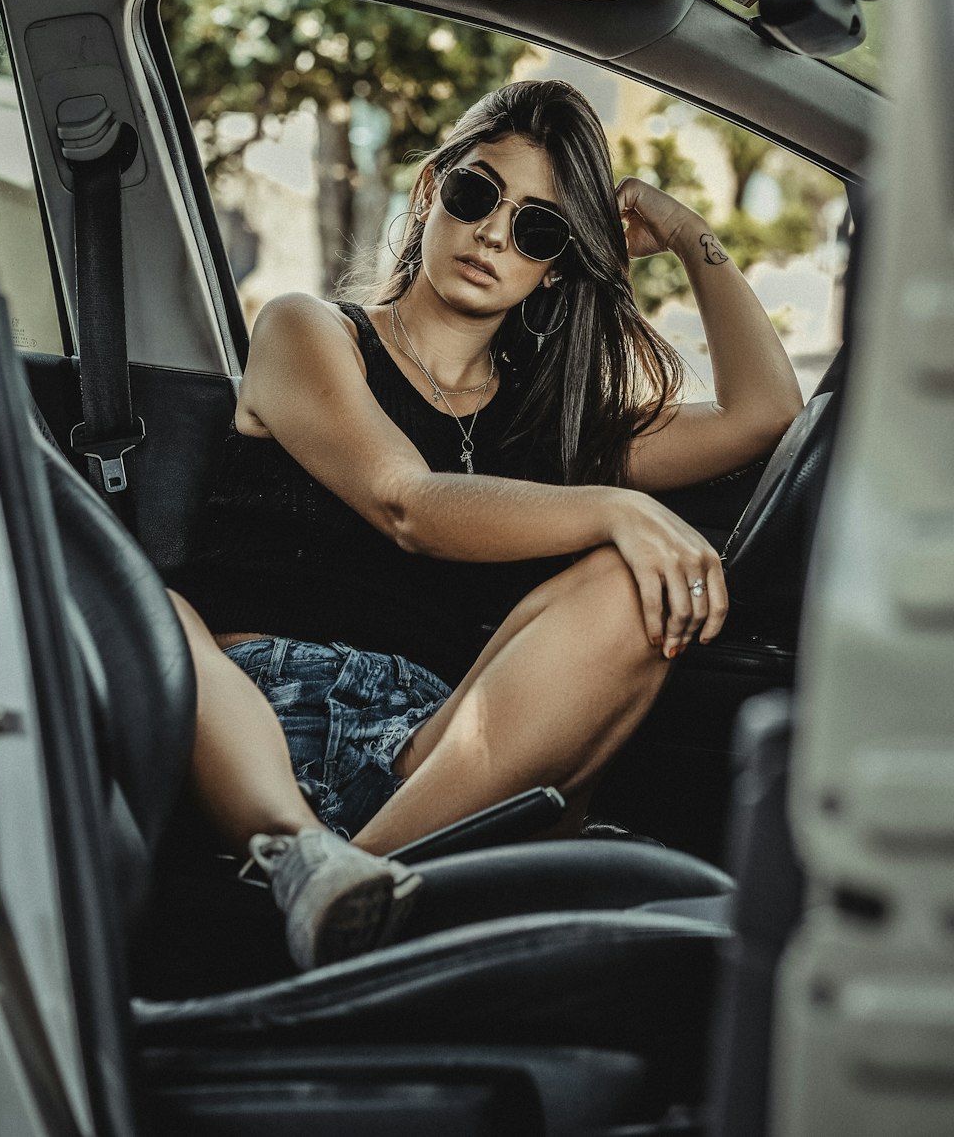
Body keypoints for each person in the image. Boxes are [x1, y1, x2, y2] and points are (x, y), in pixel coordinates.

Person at [170, 79, 802, 970]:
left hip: (434, 757)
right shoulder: (312, 333)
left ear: (556, 264)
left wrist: (686, 232)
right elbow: (408, 503)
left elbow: (765, 413)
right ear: (431, 190)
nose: (496, 233)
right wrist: (619, 506)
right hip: (251, 720)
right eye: (477, 194)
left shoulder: (551, 427)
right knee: (157, 605)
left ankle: (356, 892)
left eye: (540, 228)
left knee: (629, 589)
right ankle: (307, 870)